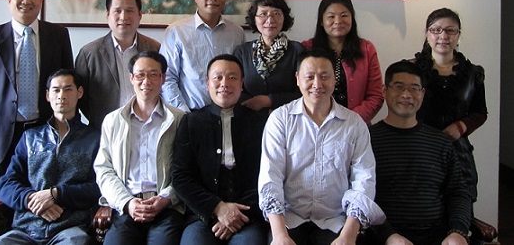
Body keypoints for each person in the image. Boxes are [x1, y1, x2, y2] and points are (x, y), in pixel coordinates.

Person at [258, 48, 384, 245]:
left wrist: (348, 236)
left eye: (324, 77)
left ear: (335, 80)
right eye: (309, 77)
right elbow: (270, 178)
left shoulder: (354, 124)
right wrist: (280, 235)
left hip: (336, 220)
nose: (317, 84)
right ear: (297, 79)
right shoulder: (280, 119)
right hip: (289, 218)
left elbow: (364, 180)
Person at [0, 0, 74, 199]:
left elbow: (68, 82)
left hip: (44, 130)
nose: (26, 1)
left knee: (42, 197)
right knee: (1, 200)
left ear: (41, 1)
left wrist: (69, 127)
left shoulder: (58, 35)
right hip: (0, 134)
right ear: (9, 1)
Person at [367, 60, 471, 245]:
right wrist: (388, 236)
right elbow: (361, 196)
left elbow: (458, 192)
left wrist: (458, 231)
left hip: (438, 237)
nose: (406, 95)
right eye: (399, 87)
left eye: (414, 88)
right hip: (384, 237)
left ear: (422, 94)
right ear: (384, 90)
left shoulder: (440, 142)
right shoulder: (367, 140)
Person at [0, 69, 101, 245]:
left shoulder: (94, 139)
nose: (61, 95)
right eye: (56, 90)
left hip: (70, 228)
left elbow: (99, 186)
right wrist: (32, 199)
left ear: (79, 92)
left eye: (68, 89)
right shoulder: (30, 137)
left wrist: (56, 194)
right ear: (47, 95)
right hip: (26, 227)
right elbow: (6, 184)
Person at [172, 54, 268, 245]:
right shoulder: (191, 122)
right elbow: (180, 176)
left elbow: (269, 175)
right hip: (203, 215)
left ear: (241, 84)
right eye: (218, 77)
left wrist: (237, 214)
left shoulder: (260, 122)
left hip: (248, 215)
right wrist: (217, 208)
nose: (224, 84)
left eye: (232, 78)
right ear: (207, 83)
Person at [94, 50, 186, 245]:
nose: (146, 81)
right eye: (140, 75)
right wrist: (127, 202)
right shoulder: (113, 121)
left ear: (163, 78)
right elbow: (104, 169)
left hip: (166, 209)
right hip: (126, 207)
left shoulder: (179, 120)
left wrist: (166, 198)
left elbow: (187, 170)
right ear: (131, 78)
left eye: (153, 75)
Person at [412, 8, 487, 204]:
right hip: (418, 149)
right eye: (436, 30)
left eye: (450, 30)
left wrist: (460, 127)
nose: (443, 36)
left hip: (457, 151)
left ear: (458, 35)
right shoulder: (411, 70)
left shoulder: (473, 73)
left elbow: (480, 112)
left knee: (460, 204)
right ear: (427, 34)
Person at [75, 0, 161, 128]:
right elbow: (80, 98)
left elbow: (163, 88)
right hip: (104, 129)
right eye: (117, 11)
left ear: (140, 14)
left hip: (147, 127)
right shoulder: (89, 53)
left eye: (130, 10)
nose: (123, 17)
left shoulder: (155, 49)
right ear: (108, 15)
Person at [160, 0, 245, 112]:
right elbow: (167, 77)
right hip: (189, 113)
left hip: (229, 114)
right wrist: (182, 112)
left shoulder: (237, 32)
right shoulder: (176, 31)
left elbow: (240, 75)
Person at [302, 0, 383, 123]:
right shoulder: (307, 48)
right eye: (331, 16)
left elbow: (376, 96)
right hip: (315, 125)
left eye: (344, 15)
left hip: (355, 125)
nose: (338, 21)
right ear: (321, 21)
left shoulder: (367, 49)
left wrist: (350, 120)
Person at [233, 0, 304, 111]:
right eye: (263, 14)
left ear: (284, 18)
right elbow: (233, 86)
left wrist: (270, 101)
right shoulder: (242, 52)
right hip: (249, 115)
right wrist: (251, 103)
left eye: (276, 14)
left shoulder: (297, 50)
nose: (270, 20)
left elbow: (305, 90)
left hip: (288, 116)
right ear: (254, 18)